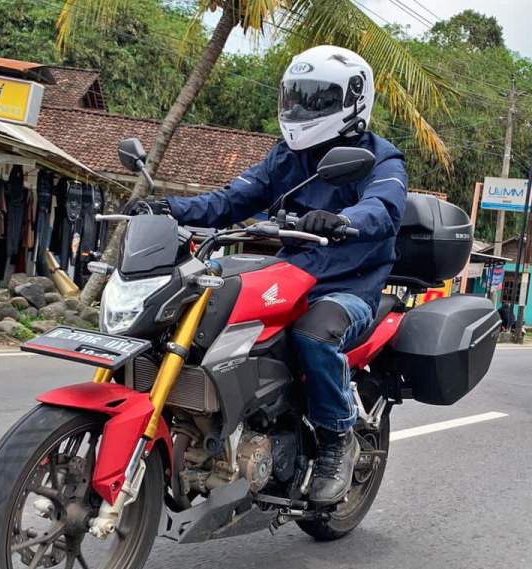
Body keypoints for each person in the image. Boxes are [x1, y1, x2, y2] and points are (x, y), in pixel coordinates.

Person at [127, 45, 407, 504]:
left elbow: (384, 208)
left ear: (353, 99)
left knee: (314, 336)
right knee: (196, 300)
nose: (300, 109)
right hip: (291, 271)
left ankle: (337, 438)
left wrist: (341, 219)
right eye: (295, 96)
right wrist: (167, 208)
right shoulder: (286, 158)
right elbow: (231, 199)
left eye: (315, 99)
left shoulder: (380, 159)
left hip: (347, 286)